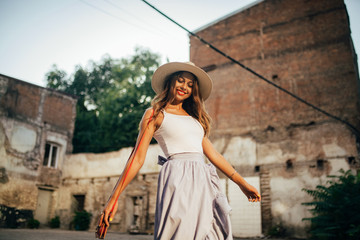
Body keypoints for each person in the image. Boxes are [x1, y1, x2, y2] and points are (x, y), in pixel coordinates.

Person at [99, 62, 261, 240]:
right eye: (181, 81)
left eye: (190, 85)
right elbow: (137, 159)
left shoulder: (195, 120)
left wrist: (242, 183)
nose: (185, 87)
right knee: (180, 233)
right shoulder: (155, 114)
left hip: (203, 181)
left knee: (212, 233)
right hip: (178, 179)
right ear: (170, 82)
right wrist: (113, 198)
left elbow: (213, 155)